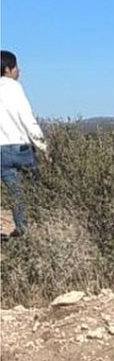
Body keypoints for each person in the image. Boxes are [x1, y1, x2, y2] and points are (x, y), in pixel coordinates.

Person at [0, 50, 46, 236]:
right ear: (8, 69)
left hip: (0, 152)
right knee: (37, 188)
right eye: (16, 67)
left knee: (16, 194)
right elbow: (26, 117)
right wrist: (43, 145)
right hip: (20, 149)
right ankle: (39, 229)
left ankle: (23, 231)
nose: (19, 71)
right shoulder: (13, 87)